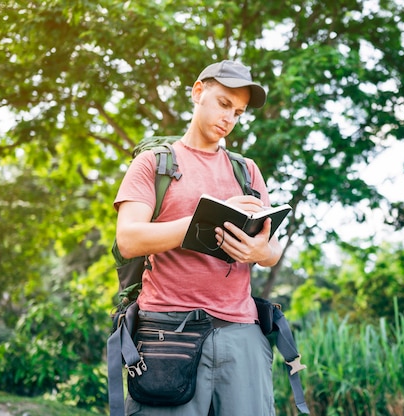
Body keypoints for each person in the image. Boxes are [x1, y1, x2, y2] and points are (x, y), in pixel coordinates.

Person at [113, 60, 281, 415]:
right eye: (224, 104)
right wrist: (206, 217)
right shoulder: (154, 163)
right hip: (168, 331)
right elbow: (128, 239)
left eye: (238, 112)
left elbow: (272, 250)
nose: (230, 119)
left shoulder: (246, 170)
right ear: (198, 92)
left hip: (241, 332)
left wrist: (258, 250)